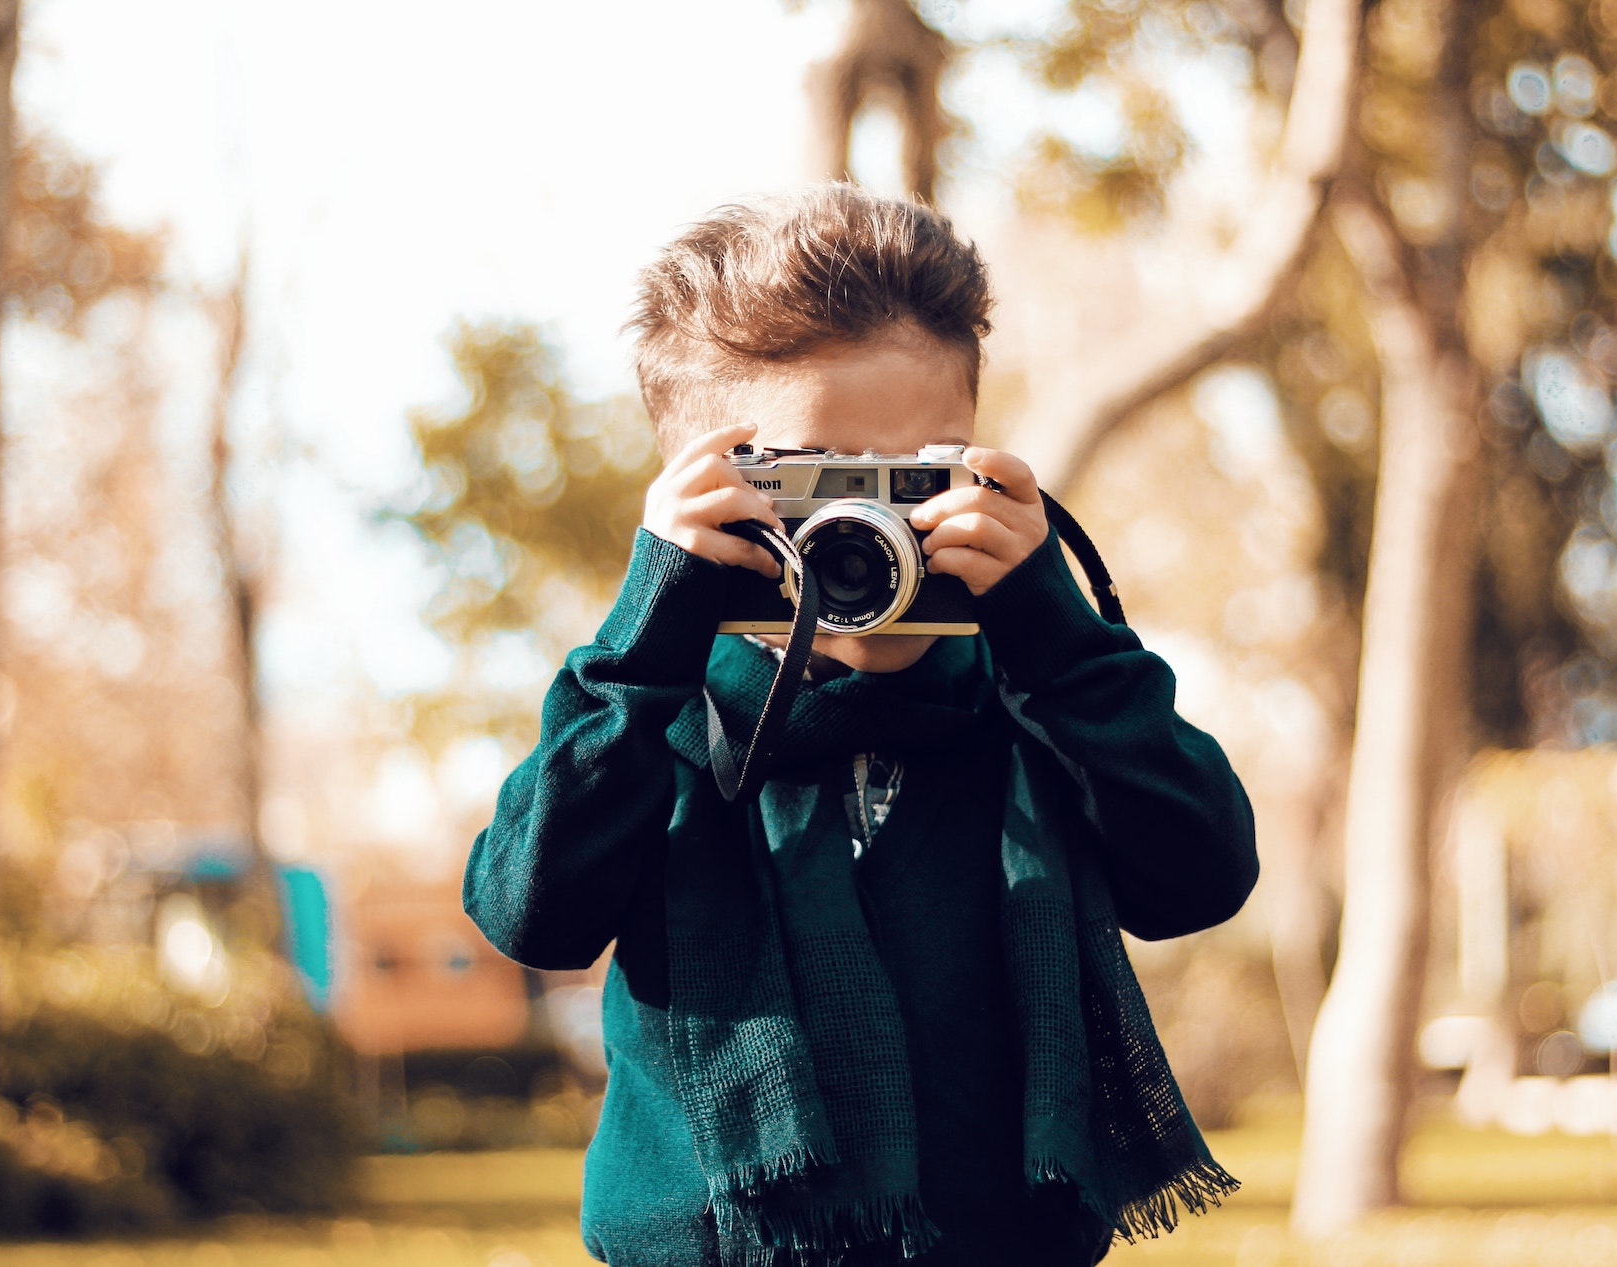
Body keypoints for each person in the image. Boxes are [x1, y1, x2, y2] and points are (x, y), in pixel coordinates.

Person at [464, 184, 1258, 1267]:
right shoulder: (650, 716)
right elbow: (531, 914)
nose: (870, 522)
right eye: (815, 479)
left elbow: (1201, 876)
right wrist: (651, 628)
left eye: (916, 474)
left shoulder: (1039, 702)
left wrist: (1056, 632)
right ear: (699, 494)